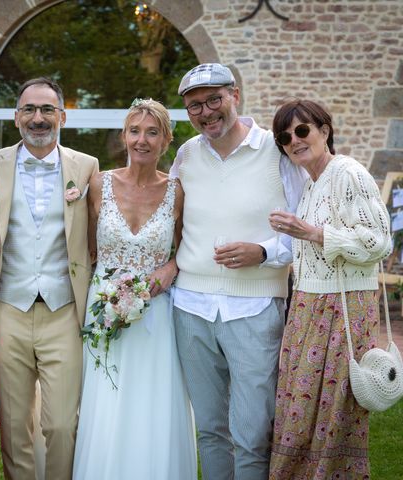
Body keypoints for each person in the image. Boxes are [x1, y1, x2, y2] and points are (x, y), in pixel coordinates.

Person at [169, 63, 309, 480]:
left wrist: (262, 251)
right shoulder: (186, 154)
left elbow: (305, 228)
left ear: (235, 95)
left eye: (214, 99)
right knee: (210, 432)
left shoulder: (276, 151)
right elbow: (169, 222)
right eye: (195, 105)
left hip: (256, 308)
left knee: (252, 434)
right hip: (191, 308)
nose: (207, 112)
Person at [72, 99, 197, 480]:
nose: (142, 140)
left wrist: (171, 269)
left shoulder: (177, 191)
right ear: (124, 136)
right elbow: (84, 248)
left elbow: (188, 246)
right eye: (135, 131)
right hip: (104, 311)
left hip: (155, 314)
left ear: (166, 142)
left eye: (152, 132)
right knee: (107, 402)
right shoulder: (98, 184)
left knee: (153, 402)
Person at [267, 99, 391, 478]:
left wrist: (313, 233)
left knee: (330, 411)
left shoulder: (347, 173)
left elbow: (379, 242)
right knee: (299, 409)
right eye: (285, 137)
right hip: (308, 305)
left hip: (343, 308)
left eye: (302, 130)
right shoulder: (311, 183)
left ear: (324, 129)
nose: (294, 140)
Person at [0, 77, 98, 480]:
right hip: (7, 311)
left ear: (62, 117)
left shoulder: (86, 167)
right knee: (15, 428)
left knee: (62, 426)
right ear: (16, 117)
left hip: (63, 310)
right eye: (30, 110)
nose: (38, 118)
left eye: (47, 109)